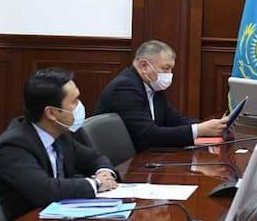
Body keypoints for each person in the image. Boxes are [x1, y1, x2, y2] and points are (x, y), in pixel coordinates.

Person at [0, 68, 118, 221]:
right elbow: (44, 190)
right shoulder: (13, 146)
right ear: (52, 113)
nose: (80, 106)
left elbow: (94, 158)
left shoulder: (60, 134)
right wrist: (96, 183)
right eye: (74, 101)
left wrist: (104, 173)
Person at [95, 40, 228, 152]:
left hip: (148, 156)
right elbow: (148, 134)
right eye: (165, 68)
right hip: (126, 164)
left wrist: (212, 126)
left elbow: (176, 120)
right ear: (144, 66)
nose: (169, 74)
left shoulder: (153, 86)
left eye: (171, 69)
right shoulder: (125, 88)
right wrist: (199, 130)